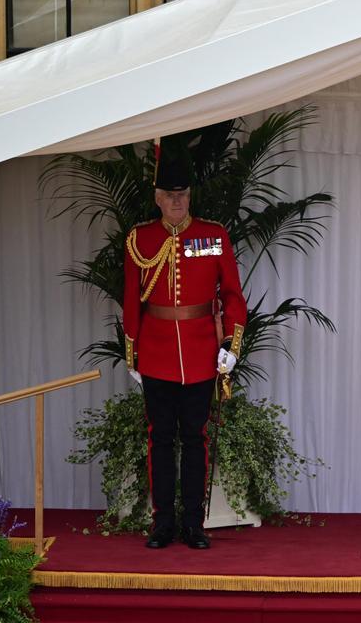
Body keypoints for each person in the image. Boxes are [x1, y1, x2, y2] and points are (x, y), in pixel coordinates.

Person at [123, 152, 246, 549]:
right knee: (159, 439)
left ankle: (194, 524)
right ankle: (163, 524)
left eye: (183, 194)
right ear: (157, 198)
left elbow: (232, 295)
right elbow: (130, 301)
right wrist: (132, 353)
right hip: (156, 351)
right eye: (169, 195)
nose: (177, 201)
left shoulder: (213, 236)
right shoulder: (140, 239)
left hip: (200, 353)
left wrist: (231, 343)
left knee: (195, 439)